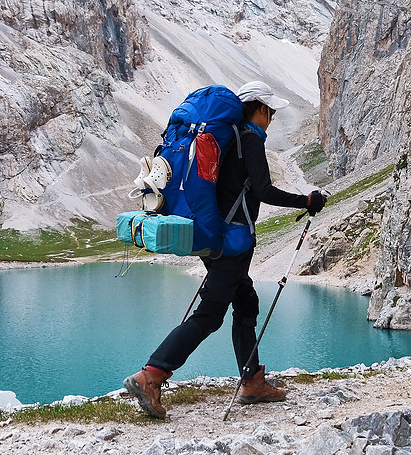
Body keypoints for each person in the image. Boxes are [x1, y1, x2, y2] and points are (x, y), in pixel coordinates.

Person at [123, 81, 327, 418]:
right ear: (258, 109)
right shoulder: (248, 140)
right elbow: (263, 190)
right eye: (270, 110)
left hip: (212, 234)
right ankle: (151, 375)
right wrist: (307, 200)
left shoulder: (227, 139)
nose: (272, 117)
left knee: (246, 301)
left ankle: (252, 381)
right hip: (232, 241)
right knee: (210, 315)